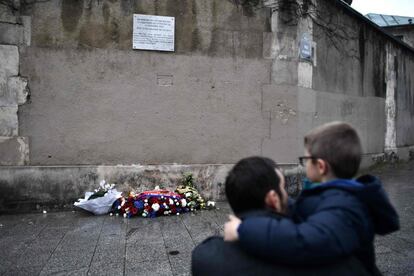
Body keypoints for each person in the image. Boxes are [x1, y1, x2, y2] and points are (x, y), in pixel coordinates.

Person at [224, 122, 400, 275]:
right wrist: (280, 203)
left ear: (321, 166)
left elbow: (305, 242)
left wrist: (243, 229)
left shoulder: (345, 207)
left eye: (306, 159)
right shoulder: (332, 196)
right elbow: (309, 210)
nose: (304, 163)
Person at [192, 156, 370, 276]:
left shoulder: (205, 258)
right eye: (284, 187)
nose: (289, 196)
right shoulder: (336, 261)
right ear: (273, 199)